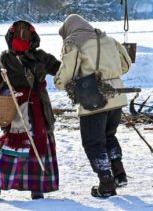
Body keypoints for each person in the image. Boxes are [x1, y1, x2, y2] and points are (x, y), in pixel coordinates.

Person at [54, 14, 132, 198]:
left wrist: (58, 81)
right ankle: (119, 174)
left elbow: (68, 72)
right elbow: (126, 65)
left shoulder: (74, 42)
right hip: (117, 97)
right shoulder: (108, 38)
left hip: (93, 98)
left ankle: (106, 183)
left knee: (93, 142)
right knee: (109, 135)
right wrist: (109, 74)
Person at [0, 20, 61, 200]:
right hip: (16, 109)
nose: (22, 36)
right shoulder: (5, 58)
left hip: (39, 108)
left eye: (25, 33)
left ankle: (37, 187)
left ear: (33, 38)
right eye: (18, 33)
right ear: (11, 37)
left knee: (39, 144)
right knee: (11, 145)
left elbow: (61, 71)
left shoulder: (42, 57)